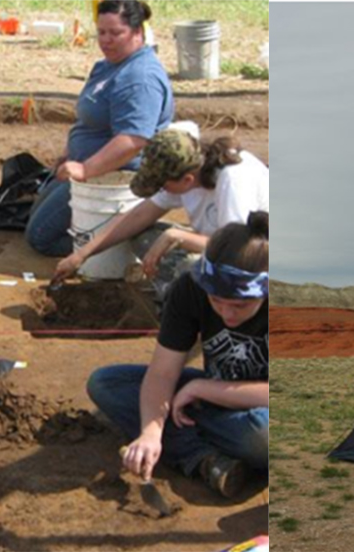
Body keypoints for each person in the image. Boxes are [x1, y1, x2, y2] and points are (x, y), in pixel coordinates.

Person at [86, 212, 269, 498]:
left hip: (260, 408)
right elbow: (162, 372)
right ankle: (206, 460)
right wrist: (150, 431)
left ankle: (201, 446)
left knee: (265, 433)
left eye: (240, 305)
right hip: (211, 405)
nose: (227, 313)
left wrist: (202, 388)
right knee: (107, 384)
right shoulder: (190, 288)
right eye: (217, 302)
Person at [25, 0, 174, 257]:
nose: (106, 40)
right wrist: (71, 155)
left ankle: (118, 247)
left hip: (115, 177)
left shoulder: (139, 78)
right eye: (101, 33)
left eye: (115, 33)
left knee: (40, 237)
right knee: (33, 218)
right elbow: (89, 122)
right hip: (90, 169)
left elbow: (133, 139)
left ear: (138, 32)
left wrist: (85, 169)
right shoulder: (108, 66)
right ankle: (105, 234)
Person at [51, 128, 268, 287]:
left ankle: (189, 305)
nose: (161, 190)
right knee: (143, 236)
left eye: (163, 185)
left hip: (256, 258)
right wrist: (82, 254)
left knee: (188, 271)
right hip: (219, 246)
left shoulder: (233, 180)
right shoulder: (193, 170)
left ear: (186, 179)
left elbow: (237, 249)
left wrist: (177, 237)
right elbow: (138, 216)